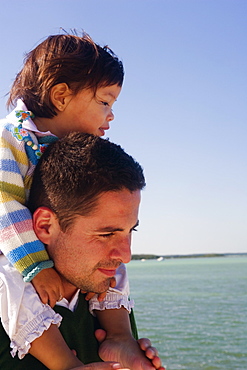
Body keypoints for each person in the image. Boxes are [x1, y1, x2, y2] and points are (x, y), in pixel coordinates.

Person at [0, 31, 134, 367]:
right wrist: (37, 266)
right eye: (104, 102)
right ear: (61, 96)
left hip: (48, 247)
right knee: (8, 278)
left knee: (113, 247)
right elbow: (5, 204)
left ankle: (119, 334)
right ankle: (64, 361)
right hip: (13, 248)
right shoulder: (10, 139)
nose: (111, 115)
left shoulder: (65, 147)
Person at [0, 132, 165, 370]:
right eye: (106, 234)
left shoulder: (107, 301)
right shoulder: (9, 296)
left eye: (131, 232)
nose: (126, 255)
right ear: (45, 226)